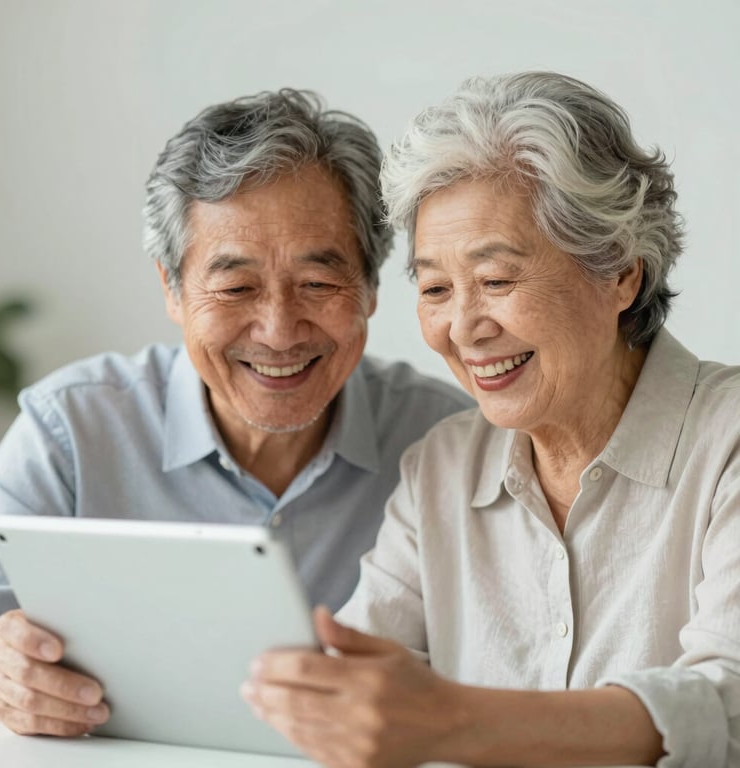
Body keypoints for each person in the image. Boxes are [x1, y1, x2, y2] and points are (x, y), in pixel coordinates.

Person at [243, 73, 740, 768]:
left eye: (498, 280)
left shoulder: (728, 444)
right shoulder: (442, 467)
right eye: (437, 289)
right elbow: (352, 692)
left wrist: (454, 721)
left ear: (621, 271)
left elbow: (727, 706)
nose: (464, 328)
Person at [0, 89, 473, 737]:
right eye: (236, 287)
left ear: (372, 289)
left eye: (319, 284)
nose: (279, 331)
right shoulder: (72, 427)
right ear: (172, 289)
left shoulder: (448, 440)